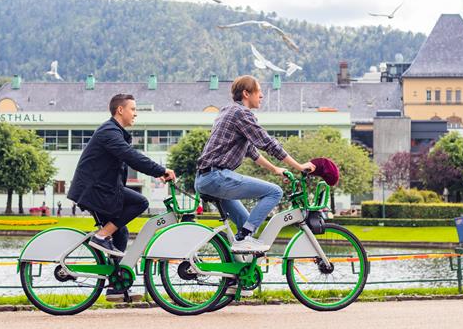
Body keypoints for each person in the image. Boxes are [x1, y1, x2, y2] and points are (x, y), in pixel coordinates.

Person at [68, 93, 176, 302]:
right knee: (140, 202)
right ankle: (100, 237)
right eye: (133, 109)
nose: (135, 114)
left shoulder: (114, 132)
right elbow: (131, 156)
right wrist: (160, 170)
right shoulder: (109, 132)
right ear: (120, 110)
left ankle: (116, 286)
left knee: (121, 232)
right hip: (95, 190)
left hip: (101, 188)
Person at [195, 75, 315, 253]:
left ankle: (233, 273)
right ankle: (243, 238)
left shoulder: (228, 110)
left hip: (205, 178)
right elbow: (267, 142)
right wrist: (299, 166)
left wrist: (275, 169)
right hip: (216, 177)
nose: (262, 96)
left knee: (247, 224)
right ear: (246, 93)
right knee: (274, 192)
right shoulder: (241, 113)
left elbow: (252, 151)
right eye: (259, 92)